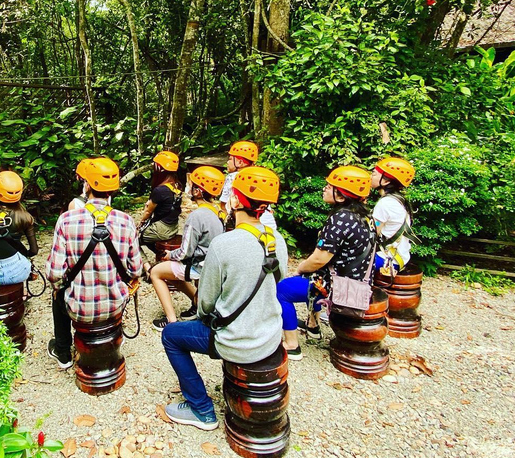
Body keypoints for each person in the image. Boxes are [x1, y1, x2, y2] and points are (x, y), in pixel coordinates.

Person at [162, 166, 287, 430]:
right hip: (270, 336)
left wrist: (205, 318)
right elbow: (278, 283)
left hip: (236, 340)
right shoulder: (278, 240)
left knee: (171, 336)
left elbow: (205, 303)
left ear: (237, 201)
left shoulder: (225, 244)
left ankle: (201, 409)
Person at [45, 158, 143, 369]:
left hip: (78, 307)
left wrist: (60, 286)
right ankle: (112, 335)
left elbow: (54, 274)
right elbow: (136, 269)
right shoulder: (126, 221)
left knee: (57, 293)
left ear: (87, 185)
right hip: (115, 304)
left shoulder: (66, 220)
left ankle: (63, 353)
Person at [276, 166, 376, 360]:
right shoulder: (365, 216)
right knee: (310, 281)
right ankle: (313, 326)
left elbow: (318, 259)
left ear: (341, 195)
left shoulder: (341, 218)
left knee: (282, 290)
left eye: (330, 186)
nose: (325, 188)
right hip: (355, 281)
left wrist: (300, 267)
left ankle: (291, 344)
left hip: (335, 285)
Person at [150, 166, 226, 331]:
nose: (187, 188)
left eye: (191, 185)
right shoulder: (218, 211)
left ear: (198, 191)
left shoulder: (196, 216)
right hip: (210, 264)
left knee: (156, 272)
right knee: (171, 272)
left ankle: (171, 322)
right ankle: (196, 303)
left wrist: (170, 255)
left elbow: (185, 252)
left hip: (198, 266)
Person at [371, 157, 418, 276]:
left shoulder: (385, 203)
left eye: (374, 174)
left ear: (385, 181)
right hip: (399, 257)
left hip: (386, 259)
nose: (370, 177)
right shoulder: (398, 200)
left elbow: (372, 233)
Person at [219, 140, 279, 230]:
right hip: (269, 226)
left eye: (231, 159)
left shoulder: (233, 177)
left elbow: (223, 207)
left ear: (240, 162)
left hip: (247, 226)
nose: (227, 162)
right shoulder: (260, 175)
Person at [138, 151, 182, 254]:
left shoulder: (160, 190)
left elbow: (148, 212)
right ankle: (161, 255)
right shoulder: (177, 185)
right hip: (173, 227)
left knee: (133, 241)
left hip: (162, 230)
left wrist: (141, 223)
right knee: (148, 238)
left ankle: (146, 266)